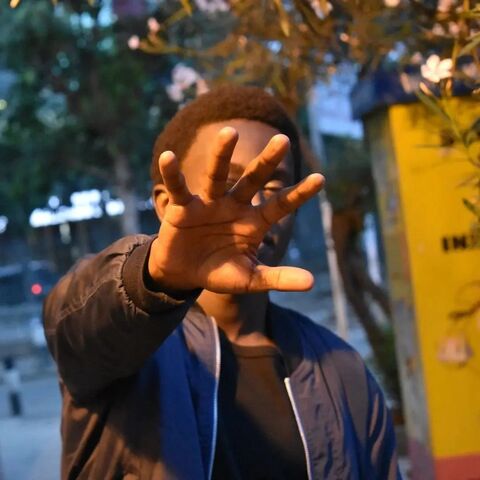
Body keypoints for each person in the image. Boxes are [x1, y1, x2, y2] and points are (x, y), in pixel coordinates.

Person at [44, 85, 401, 480]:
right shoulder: (124, 353)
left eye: (272, 188)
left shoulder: (342, 370)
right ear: (166, 204)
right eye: (230, 185)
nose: (252, 206)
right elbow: (71, 323)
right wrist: (154, 274)